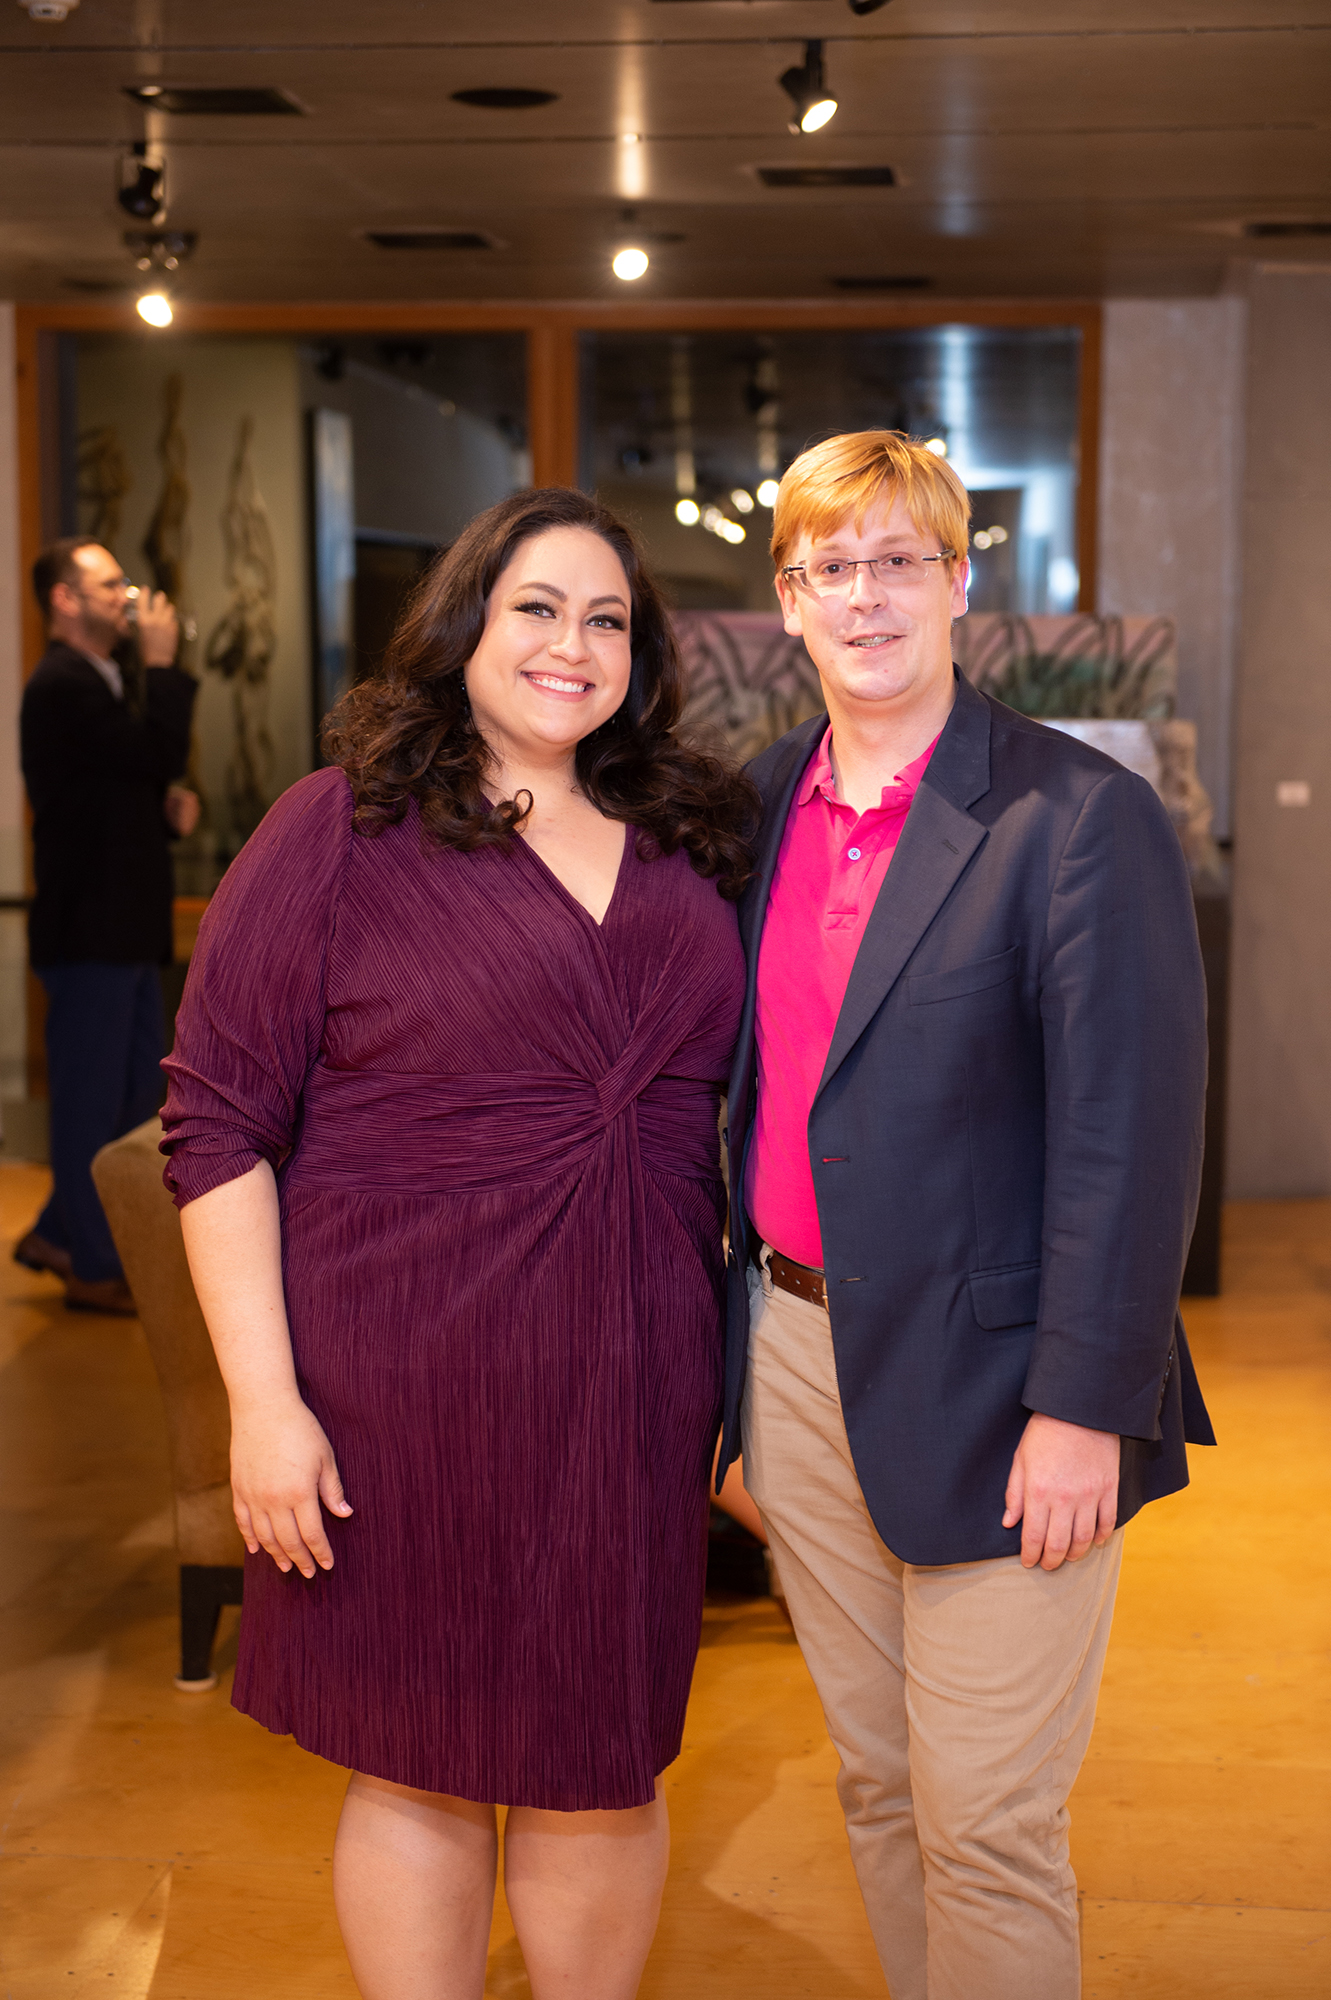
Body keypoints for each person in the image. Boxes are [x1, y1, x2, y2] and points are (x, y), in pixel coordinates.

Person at [160, 488, 755, 2000]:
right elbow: (217, 1123)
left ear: (644, 651)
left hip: (631, 1383)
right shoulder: (340, 831)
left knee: (600, 1756)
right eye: (535, 609)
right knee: (416, 1758)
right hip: (398, 1389)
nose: (571, 645)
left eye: (606, 618)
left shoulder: (695, 840)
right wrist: (262, 1406)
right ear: (465, 628)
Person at [718, 431, 1215, 2000]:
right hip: (795, 1356)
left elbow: (1128, 1145)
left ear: (955, 582)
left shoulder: (1072, 818)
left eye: (895, 562)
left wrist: (1084, 1405)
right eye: (826, 568)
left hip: (1009, 1387)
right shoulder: (747, 813)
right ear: (783, 600)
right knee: (875, 1787)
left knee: (986, 1820)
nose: (862, 598)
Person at [17, 538, 198, 1314]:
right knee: (94, 1104)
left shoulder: (97, 682)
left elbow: (108, 790)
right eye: (108, 584)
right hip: (89, 931)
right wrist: (164, 667)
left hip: (117, 928)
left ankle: (60, 1231)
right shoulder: (62, 683)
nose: (127, 598)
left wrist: (158, 810)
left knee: (129, 1103)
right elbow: (150, 748)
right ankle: (91, 1263)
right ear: (64, 599)